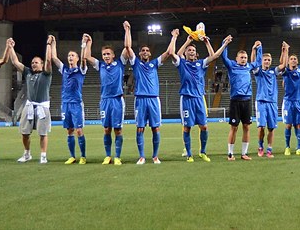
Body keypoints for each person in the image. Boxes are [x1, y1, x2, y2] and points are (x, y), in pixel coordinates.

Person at [171, 32, 229, 162]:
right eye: (189, 50)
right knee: (187, 127)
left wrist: (208, 42)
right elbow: (175, 54)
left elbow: (214, 56)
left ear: (196, 54)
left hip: (199, 99)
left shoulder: (200, 64)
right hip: (186, 99)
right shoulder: (182, 63)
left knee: (204, 126)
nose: (191, 52)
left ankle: (203, 152)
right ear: (186, 53)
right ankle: (189, 154)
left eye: (193, 50)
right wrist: (187, 41)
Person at [125, 27, 178, 164]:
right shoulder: (136, 63)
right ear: (139, 53)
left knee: (155, 128)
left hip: (154, 99)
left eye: (147, 50)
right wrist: (128, 30)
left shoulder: (154, 64)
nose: (145, 52)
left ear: (150, 53)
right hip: (140, 99)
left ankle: (155, 156)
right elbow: (127, 47)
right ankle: (141, 156)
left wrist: (174, 37)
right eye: (143, 50)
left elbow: (169, 52)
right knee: (140, 128)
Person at [83, 22, 130, 165]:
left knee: (118, 130)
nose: (106, 56)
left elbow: (127, 48)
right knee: (106, 129)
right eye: (104, 54)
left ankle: (117, 156)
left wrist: (127, 30)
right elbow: (87, 57)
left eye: (108, 54)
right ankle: (108, 156)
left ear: (113, 55)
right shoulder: (101, 65)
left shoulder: (120, 63)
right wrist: (88, 43)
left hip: (117, 100)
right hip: (104, 100)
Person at [8, 36, 53, 164]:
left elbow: (49, 60)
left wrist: (48, 45)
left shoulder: (46, 74)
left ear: (42, 64)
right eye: (32, 62)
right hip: (29, 106)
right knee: (25, 132)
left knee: (42, 133)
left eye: (36, 62)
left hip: (42, 106)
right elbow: (15, 62)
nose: (33, 64)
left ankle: (43, 155)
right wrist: (11, 47)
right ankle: (27, 153)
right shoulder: (28, 72)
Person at [220, 37, 261, 161]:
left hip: (247, 101)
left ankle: (244, 153)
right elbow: (223, 57)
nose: (243, 59)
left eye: (245, 58)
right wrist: (224, 43)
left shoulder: (249, 66)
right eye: (241, 57)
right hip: (235, 101)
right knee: (234, 127)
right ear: (237, 58)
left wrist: (259, 48)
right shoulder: (232, 66)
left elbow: (258, 62)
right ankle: (230, 154)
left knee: (247, 127)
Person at [51, 35, 88, 164]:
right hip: (65, 103)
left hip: (76, 103)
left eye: (72, 55)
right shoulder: (65, 70)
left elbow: (84, 59)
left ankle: (82, 156)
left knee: (79, 130)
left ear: (77, 58)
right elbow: (54, 58)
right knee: (69, 130)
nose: (70, 57)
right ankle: (72, 156)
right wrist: (53, 44)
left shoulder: (81, 70)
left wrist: (83, 44)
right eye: (68, 56)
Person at [278, 41, 300, 156]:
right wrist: (285, 50)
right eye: (291, 59)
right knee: (288, 125)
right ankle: (287, 147)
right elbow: (281, 63)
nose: (293, 60)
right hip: (288, 102)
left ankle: (298, 148)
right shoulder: (286, 71)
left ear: (297, 61)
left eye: (294, 59)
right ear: (288, 61)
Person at [249, 42, 281, 158]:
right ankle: (260, 146)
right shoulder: (258, 72)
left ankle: (269, 149)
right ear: (261, 61)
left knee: (271, 128)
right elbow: (253, 63)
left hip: (272, 102)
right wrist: (254, 50)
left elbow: (282, 66)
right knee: (261, 126)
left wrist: (285, 50)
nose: (267, 61)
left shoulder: (274, 72)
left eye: (268, 60)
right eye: (265, 60)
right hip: (261, 101)